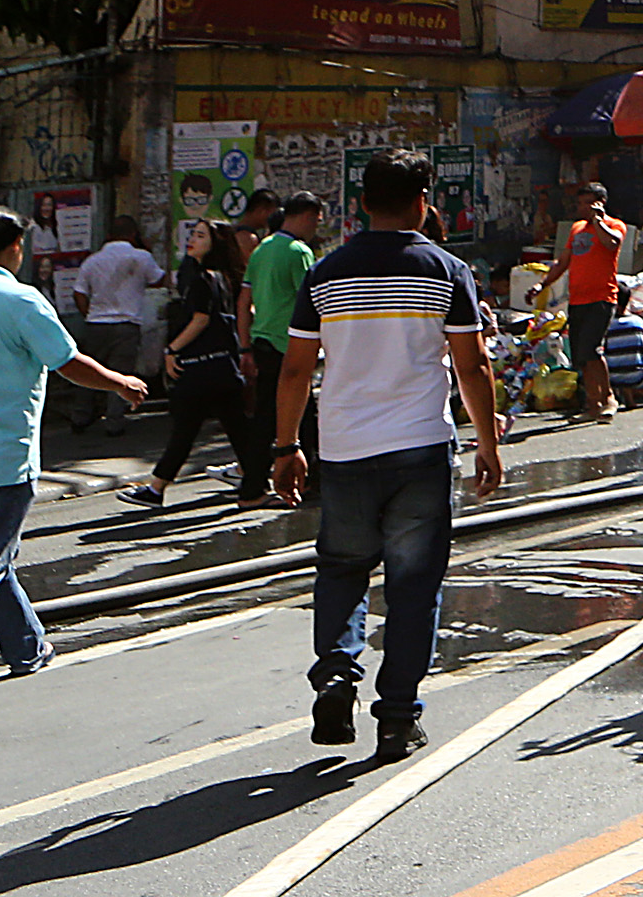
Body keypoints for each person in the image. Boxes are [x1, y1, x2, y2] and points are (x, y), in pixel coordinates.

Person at [270, 150, 502, 760]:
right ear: (425, 202)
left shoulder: (325, 274)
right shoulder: (447, 271)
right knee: (413, 586)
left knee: (343, 569)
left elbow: (296, 369)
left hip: (344, 450)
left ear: (361, 204)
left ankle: (337, 675)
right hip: (420, 448)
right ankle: (398, 716)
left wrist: (287, 446)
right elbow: (473, 364)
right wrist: (488, 442)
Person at [0, 207, 149, 700]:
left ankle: (27, 648)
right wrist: (120, 383)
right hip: (3, 453)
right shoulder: (19, 299)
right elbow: (67, 362)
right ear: (13, 246)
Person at [117, 218, 267, 509]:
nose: (192, 240)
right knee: (236, 428)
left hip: (201, 368)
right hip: (222, 366)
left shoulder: (202, 279)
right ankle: (254, 484)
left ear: (214, 244)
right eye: (192, 234)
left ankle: (157, 488)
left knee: (187, 429)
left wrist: (171, 350)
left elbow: (201, 319)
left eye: (200, 235)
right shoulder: (224, 277)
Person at [244, 193, 323, 482]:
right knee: (303, 413)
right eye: (316, 220)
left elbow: (245, 298)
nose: (316, 227)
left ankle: (252, 481)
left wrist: (244, 344)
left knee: (268, 413)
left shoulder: (262, 248)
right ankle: (311, 476)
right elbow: (313, 300)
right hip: (289, 343)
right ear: (305, 215)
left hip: (262, 338)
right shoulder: (298, 252)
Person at [532, 185, 627, 419]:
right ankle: (593, 403)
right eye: (581, 204)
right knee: (581, 355)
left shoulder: (614, 226)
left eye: (588, 203)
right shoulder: (576, 229)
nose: (582, 208)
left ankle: (608, 398)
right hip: (577, 299)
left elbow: (612, 243)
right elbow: (563, 262)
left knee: (592, 349)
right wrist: (542, 284)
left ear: (600, 203)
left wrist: (598, 221)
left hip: (602, 297)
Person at [60, 223, 165, 434]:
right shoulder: (141, 257)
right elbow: (159, 280)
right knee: (121, 375)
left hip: (96, 324)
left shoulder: (93, 260)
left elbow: (79, 293)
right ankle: (114, 421)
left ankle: (80, 417)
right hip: (127, 325)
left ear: (108, 235)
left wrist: (88, 313)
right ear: (133, 235)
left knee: (89, 372)